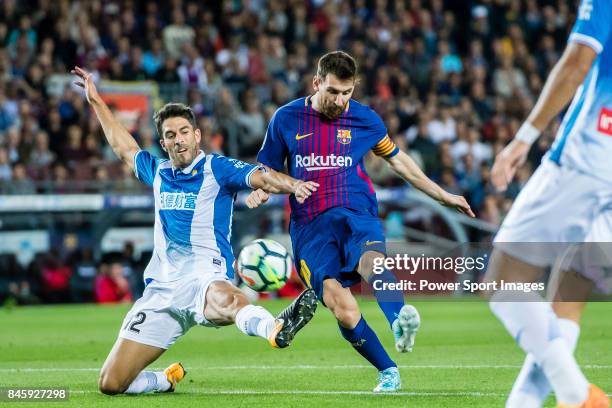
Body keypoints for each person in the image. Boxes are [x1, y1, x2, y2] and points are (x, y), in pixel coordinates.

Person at [71, 66, 319, 396]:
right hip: (160, 290)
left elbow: (262, 175)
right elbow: (123, 147)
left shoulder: (217, 168)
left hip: (204, 276)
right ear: (164, 142)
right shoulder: (157, 171)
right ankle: (165, 379)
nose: (179, 139)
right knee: (111, 383)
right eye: (171, 135)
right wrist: (96, 101)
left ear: (197, 136)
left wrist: (294, 185)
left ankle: (274, 328)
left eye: (184, 132)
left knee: (228, 299)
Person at [247, 51, 473, 392]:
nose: (340, 101)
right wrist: (263, 190)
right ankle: (388, 371)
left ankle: (400, 322)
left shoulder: (366, 120)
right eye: (333, 92)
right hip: (310, 227)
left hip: (356, 213)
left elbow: (399, 161)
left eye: (347, 93)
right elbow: (267, 170)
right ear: (317, 83)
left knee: (374, 264)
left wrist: (442, 195)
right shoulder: (286, 118)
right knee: (342, 306)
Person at [485, 0, 611, 406]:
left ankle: (577, 395)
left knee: (503, 282)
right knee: (566, 302)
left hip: (587, 158)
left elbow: (577, 61)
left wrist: (524, 137)